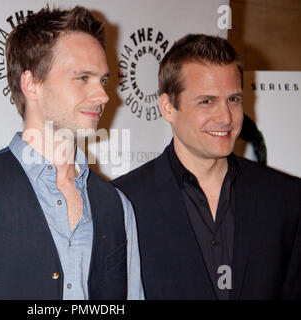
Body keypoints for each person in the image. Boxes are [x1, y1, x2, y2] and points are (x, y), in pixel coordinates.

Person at [0, 6, 143, 300]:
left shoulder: (118, 206)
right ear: (31, 84)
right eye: (83, 78)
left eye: (103, 80)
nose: (103, 95)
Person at [113, 34, 301, 299]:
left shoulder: (287, 198)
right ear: (168, 107)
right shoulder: (123, 202)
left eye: (233, 99)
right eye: (207, 101)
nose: (226, 117)